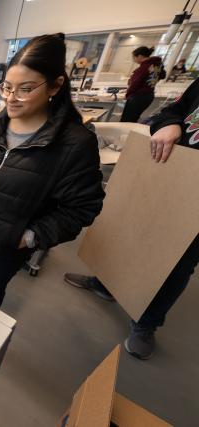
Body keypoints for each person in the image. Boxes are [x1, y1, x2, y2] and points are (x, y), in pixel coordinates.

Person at [0, 33, 105, 309]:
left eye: (25, 89)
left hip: (8, 246)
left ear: (55, 86)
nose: (11, 98)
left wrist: (29, 237)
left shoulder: (75, 144)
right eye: (7, 87)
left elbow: (82, 208)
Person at [64, 77, 199, 360]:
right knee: (130, 230)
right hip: (168, 169)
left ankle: (146, 322)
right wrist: (168, 124)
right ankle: (107, 284)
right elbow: (171, 111)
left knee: (177, 263)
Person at [120, 46, 166, 122]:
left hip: (139, 97)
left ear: (140, 56)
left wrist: (128, 94)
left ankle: (125, 133)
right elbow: (162, 76)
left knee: (127, 120)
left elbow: (135, 83)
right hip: (149, 95)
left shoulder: (144, 67)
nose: (134, 60)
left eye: (134, 57)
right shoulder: (156, 65)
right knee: (133, 118)